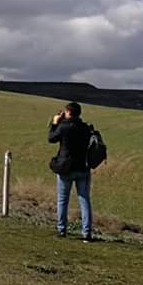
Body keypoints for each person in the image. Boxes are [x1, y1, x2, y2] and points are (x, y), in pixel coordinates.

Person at [48, 102, 94, 241]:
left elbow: (51, 138)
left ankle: (62, 229)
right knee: (84, 199)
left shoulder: (63, 127)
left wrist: (55, 123)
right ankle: (86, 232)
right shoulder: (86, 128)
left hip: (65, 168)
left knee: (62, 200)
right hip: (82, 168)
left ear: (68, 112)